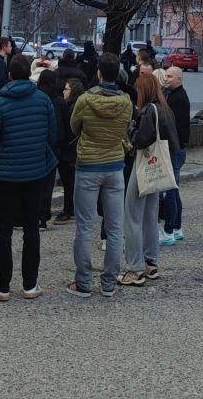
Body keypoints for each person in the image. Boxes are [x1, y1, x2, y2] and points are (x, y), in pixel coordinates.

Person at [0, 54, 57, 302]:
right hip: (35, 172)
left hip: (5, 174)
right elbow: (51, 135)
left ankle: (2, 285)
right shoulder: (43, 101)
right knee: (31, 229)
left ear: (10, 75)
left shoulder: (0, 105)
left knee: (3, 230)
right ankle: (30, 283)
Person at [66, 54, 132, 299]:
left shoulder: (84, 100)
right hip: (114, 166)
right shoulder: (126, 101)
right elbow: (126, 127)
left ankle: (83, 283)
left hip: (88, 165)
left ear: (99, 73)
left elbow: (75, 126)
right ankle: (108, 284)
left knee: (84, 227)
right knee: (115, 228)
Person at [120, 72, 179, 287]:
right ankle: (150, 263)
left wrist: (131, 126)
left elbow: (140, 140)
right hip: (159, 167)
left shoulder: (148, 111)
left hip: (144, 166)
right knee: (150, 217)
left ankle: (135, 269)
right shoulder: (165, 108)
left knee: (133, 215)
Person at [160, 67, 190, 245]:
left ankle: (169, 230)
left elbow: (172, 126)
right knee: (174, 189)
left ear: (179, 79)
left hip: (175, 149)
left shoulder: (177, 98)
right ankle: (177, 227)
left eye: (170, 76)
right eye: (165, 76)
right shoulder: (173, 94)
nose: (166, 79)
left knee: (170, 190)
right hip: (177, 148)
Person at [36, 70, 70, 228]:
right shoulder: (59, 101)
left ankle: (32, 213)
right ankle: (43, 215)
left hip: (37, 144)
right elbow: (66, 124)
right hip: (55, 146)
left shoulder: (36, 99)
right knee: (47, 184)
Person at [53, 77, 84, 225]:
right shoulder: (72, 105)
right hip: (71, 149)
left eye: (66, 89)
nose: (63, 92)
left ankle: (69, 208)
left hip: (70, 149)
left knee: (69, 181)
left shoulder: (72, 107)